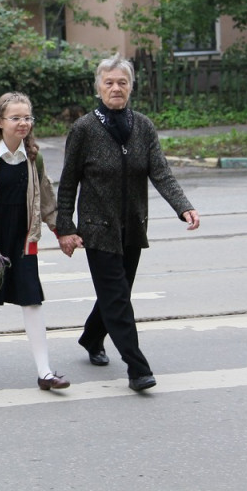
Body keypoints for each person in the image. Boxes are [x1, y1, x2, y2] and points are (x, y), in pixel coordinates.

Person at [55, 54, 201, 392]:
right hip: (96, 226)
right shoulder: (84, 129)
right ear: (98, 88)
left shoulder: (144, 126)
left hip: (133, 226)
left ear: (131, 87)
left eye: (122, 82)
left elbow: (161, 173)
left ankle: (92, 338)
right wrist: (66, 226)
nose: (116, 88)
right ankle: (137, 369)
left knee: (117, 294)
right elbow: (67, 182)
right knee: (118, 299)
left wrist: (184, 207)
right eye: (109, 82)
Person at [0, 93, 69, 390]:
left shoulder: (34, 159)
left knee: (32, 300)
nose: (23, 123)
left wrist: (62, 232)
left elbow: (47, 203)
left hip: (23, 240)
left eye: (27, 117)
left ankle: (45, 372)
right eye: (16, 118)